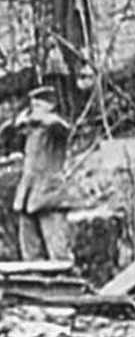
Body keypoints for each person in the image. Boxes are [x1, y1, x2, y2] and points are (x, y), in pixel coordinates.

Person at [1, 86, 73, 261]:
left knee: (59, 254)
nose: (33, 110)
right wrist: (19, 122)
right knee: (30, 256)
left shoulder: (55, 127)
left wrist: (37, 118)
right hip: (27, 196)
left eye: (38, 106)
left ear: (50, 106)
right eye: (32, 106)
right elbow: (9, 129)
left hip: (50, 196)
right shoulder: (32, 130)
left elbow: (60, 126)